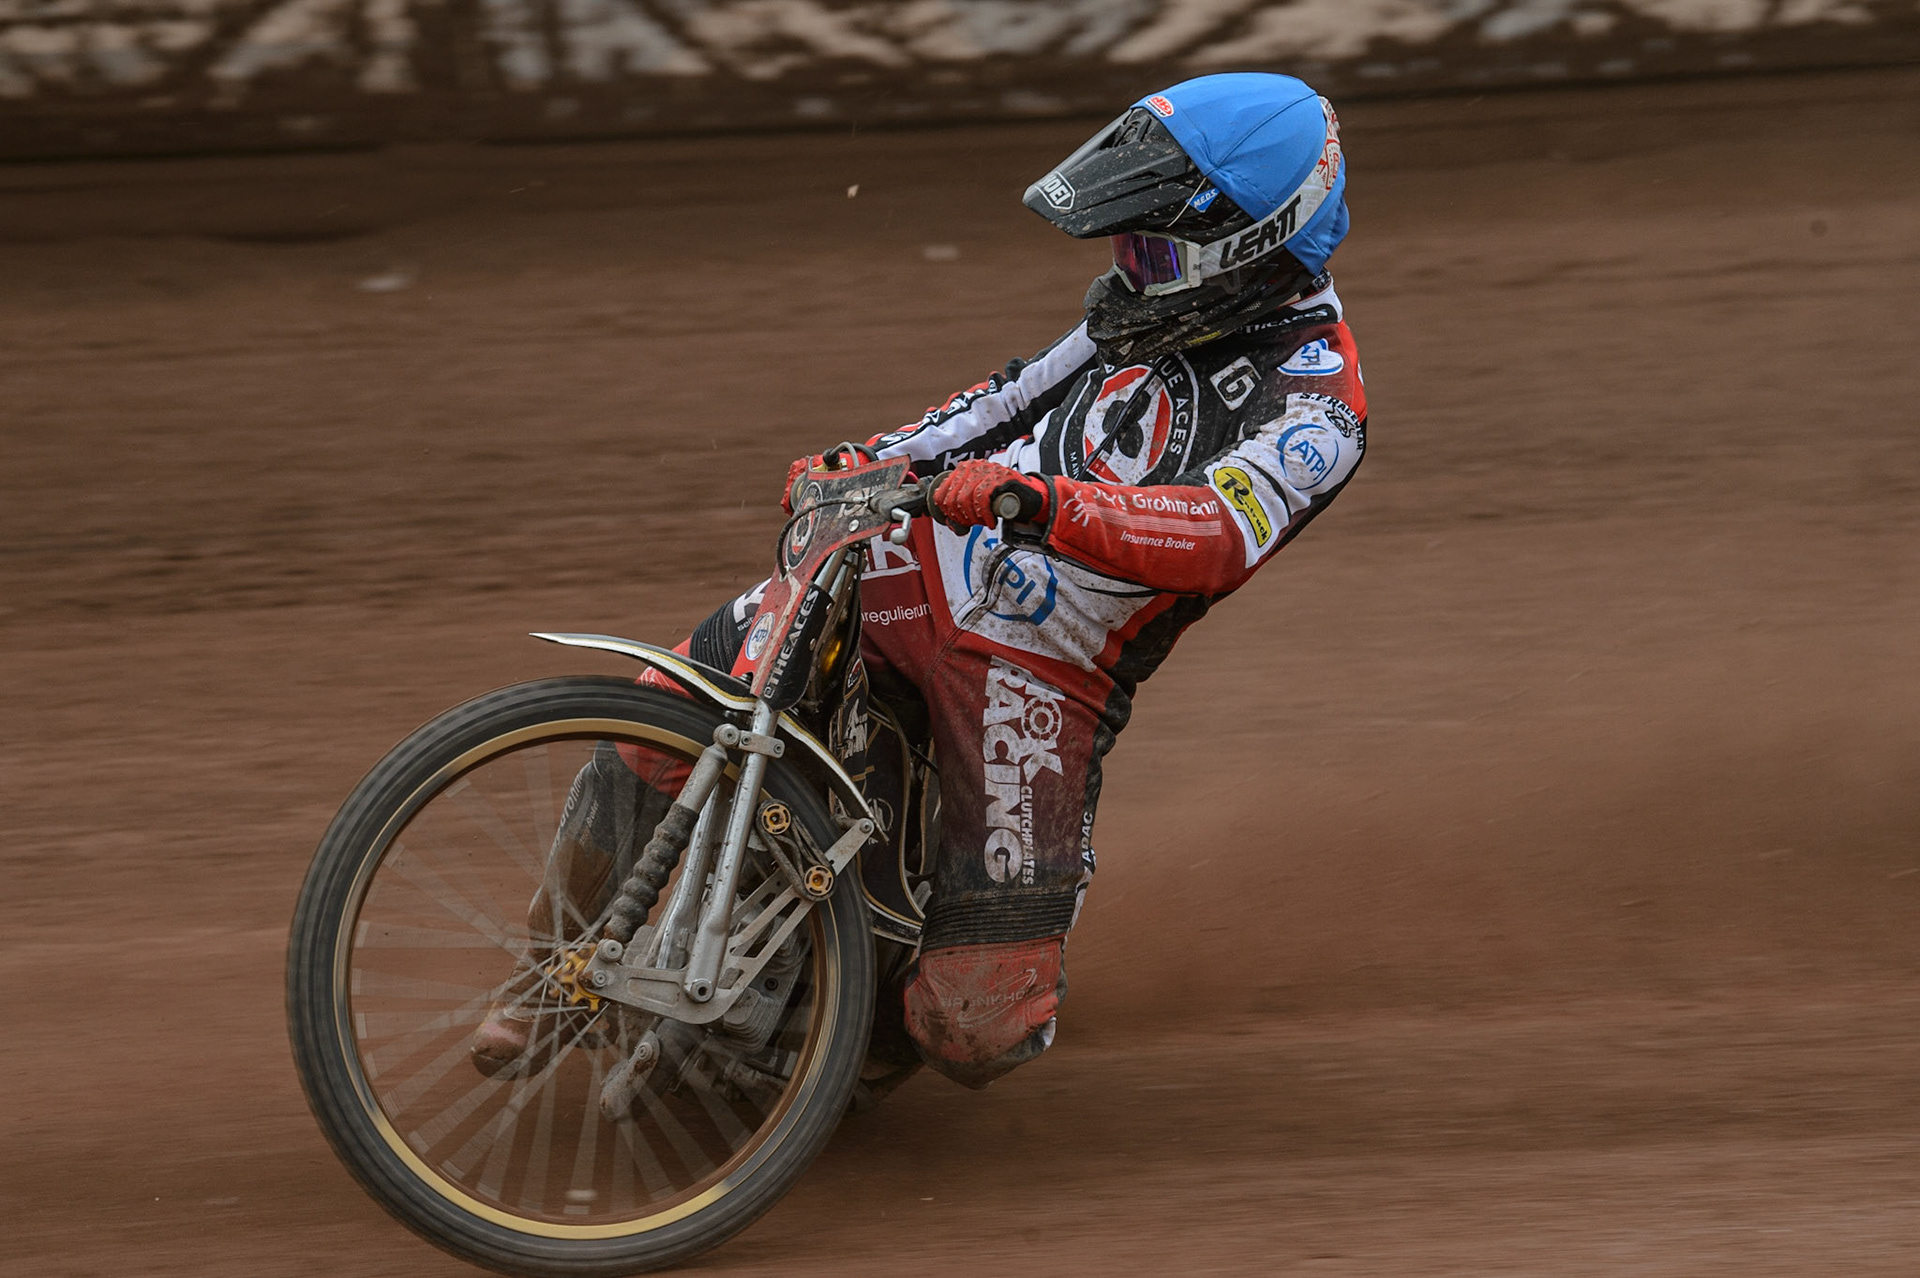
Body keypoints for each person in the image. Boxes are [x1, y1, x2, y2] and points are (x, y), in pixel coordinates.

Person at [473, 71, 1367, 1090]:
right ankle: (553, 976)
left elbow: (1212, 533)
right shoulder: (1143, 309)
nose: (1130, 268)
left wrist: (1039, 505)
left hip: (1041, 680)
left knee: (975, 1029)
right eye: (1127, 244)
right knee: (655, 723)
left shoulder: (1320, 406)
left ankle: (824, 1064)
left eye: (1152, 248)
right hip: (907, 568)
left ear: (1248, 245)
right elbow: (1000, 401)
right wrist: (867, 461)